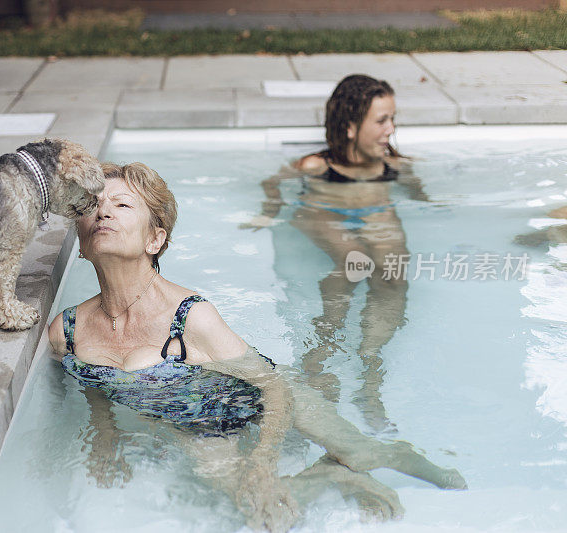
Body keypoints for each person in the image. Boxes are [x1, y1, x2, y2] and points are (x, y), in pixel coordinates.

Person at [49, 161, 465, 532]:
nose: (102, 211)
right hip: (199, 425)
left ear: (154, 240)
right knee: (259, 513)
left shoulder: (192, 316)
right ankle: (333, 477)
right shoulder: (68, 330)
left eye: (122, 205)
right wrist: (104, 435)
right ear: (81, 245)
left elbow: (273, 387)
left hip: (261, 391)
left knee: (357, 449)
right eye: (91, 206)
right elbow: (95, 381)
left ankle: (388, 454)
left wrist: (263, 464)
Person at [245, 74, 429, 432]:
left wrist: (431, 203)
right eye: (381, 121)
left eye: (392, 119)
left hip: (374, 210)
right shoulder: (317, 166)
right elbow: (273, 182)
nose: (391, 129)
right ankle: (319, 355)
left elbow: (418, 189)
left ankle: (370, 372)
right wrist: (269, 210)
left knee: (393, 274)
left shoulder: (392, 166)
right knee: (355, 261)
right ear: (349, 127)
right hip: (324, 211)